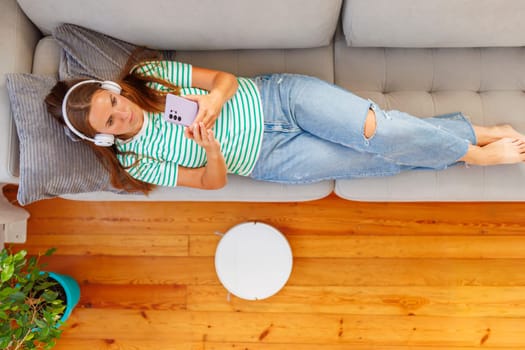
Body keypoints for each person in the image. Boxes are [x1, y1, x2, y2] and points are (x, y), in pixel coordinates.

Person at [45, 50, 525, 193]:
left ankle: (471, 153)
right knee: (377, 159)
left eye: (114, 100)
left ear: (111, 89)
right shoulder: (136, 158)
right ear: (104, 135)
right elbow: (211, 183)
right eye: (112, 119)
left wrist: (213, 99)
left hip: (279, 100)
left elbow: (225, 79)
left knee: (382, 130)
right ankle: (474, 138)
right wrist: (213, 151)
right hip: (270, 157)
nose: (122, 111)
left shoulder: (148, 77)